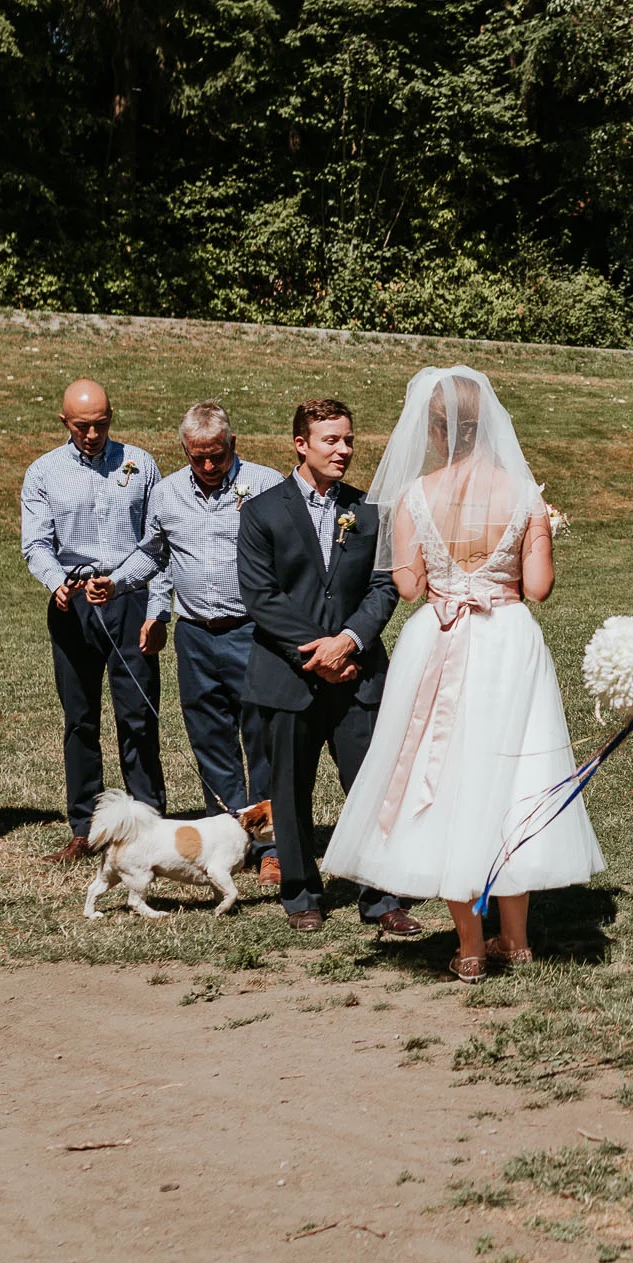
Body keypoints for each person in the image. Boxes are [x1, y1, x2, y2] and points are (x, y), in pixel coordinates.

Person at [322, 367, 604, 983]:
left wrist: (445, 573)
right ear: (490, 426)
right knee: (514, 776)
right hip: (508, 639)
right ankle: (516, 939)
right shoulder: (524, 495)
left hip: (441, 637)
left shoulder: (415, 496)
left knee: (446, 777)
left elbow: (409, 586)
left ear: (433, 429)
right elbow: (538, 587)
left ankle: (470, 946)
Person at [237, 398, 417, 937]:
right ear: (301, 444)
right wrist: (318, 655)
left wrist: (348, 641)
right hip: (288, 675)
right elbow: (261, 596)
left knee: (369, 787)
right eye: (331, 440)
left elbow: (384, 585)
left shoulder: (369, 511)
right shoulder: (261, 511)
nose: (344, 450)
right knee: (290, 790)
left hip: (356, 674)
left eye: (348, 440)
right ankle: (301, 894)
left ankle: (381, 897)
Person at [88, 401, 285, 882]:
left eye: (218, 454)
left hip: (254, 631)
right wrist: (116, 583)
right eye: (199, 457)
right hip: (195, 635)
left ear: (233, 444)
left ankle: (273, 847)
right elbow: (152, 554)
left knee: (263, 737)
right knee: (210, 738)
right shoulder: (167, 493)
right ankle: (229, 841)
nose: (210, 465)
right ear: (185, 451)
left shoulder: (265, 485)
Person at [20, 379, 169, 863]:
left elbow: (158, 543)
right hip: (72, 601)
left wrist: (140, 596)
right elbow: (36, 543)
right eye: (82, 426)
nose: (91, 434)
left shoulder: (140, 464)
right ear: (64, 422)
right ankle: (85, 828)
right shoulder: (43, 472)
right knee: (80, 719)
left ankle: (148, 824)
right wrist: (55, 582)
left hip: (128, 596)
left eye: (101, 424)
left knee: (138, 715)